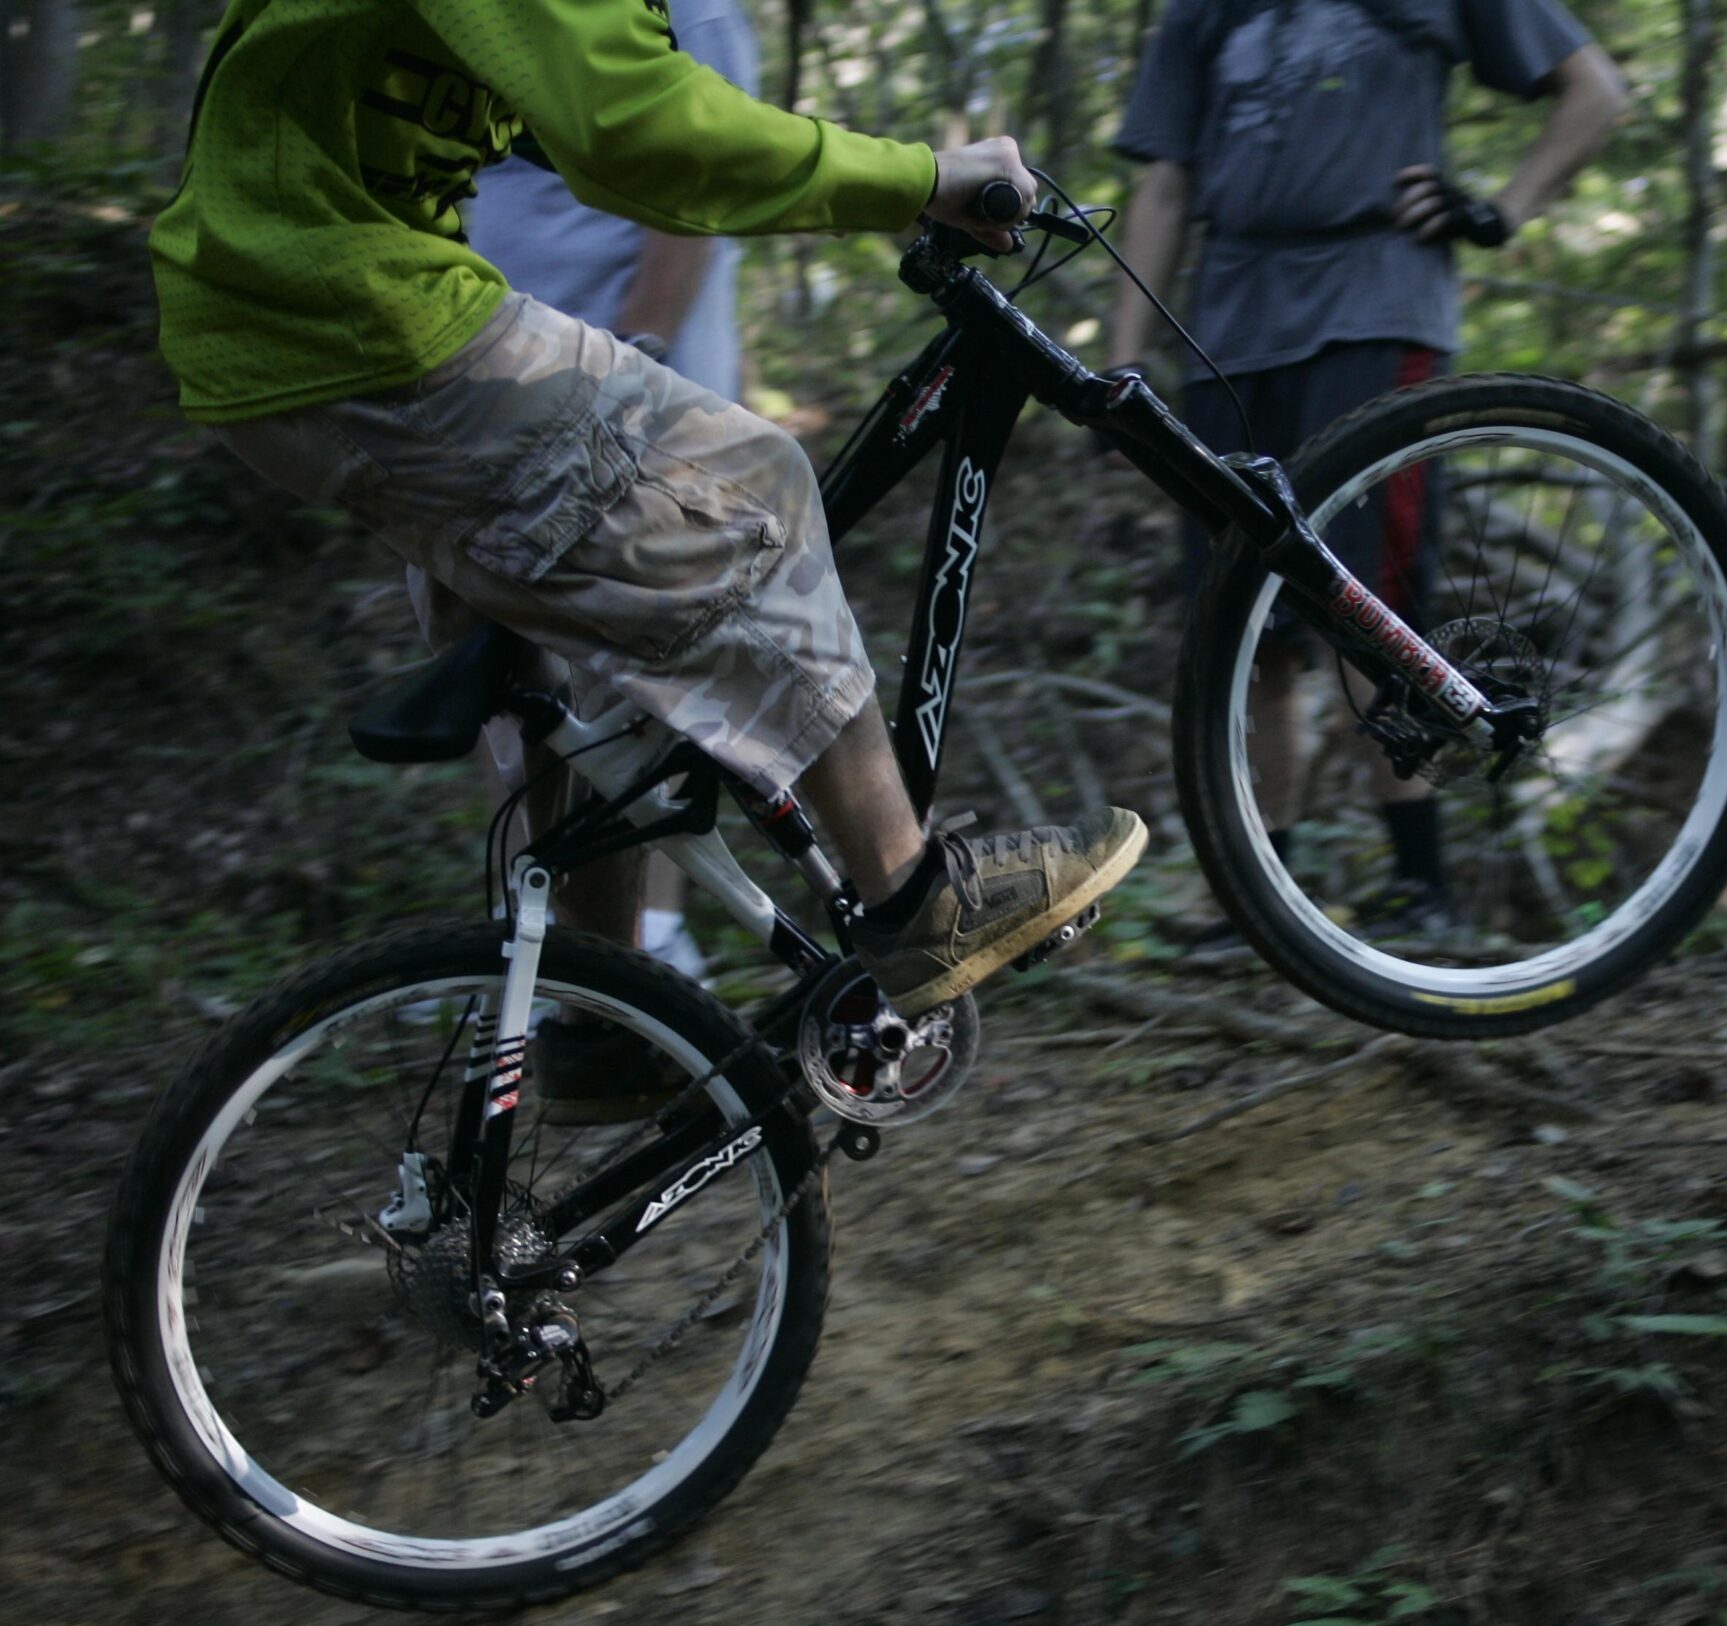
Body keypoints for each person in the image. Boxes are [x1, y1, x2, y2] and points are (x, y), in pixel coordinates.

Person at [151, 0, 1146, 1030]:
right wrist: (919, 178)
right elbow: (645, 135)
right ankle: (911, 895)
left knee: (575, 634)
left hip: (277, 323)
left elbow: (609, 144)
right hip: (342, 304)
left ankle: (602, 1014)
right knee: (753, 480)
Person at [1109, 0, 1626, 926]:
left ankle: (1419, 883)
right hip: (1228, 332)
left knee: (1367, 602)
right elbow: (1165, 184)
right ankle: (1260, 889)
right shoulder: (1201, 12)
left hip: (1377, 310)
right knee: (1243, 617)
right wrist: (1122, 355)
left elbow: (1596, 92)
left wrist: (1501, 210)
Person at [450, 0, 762, 985]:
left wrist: (634, 369)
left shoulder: (684, 6)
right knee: (505, 668)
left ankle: (649, 942)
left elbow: (695, 188)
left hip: (627, 384)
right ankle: (529, 950)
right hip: (486, 378)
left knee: (636, 674)